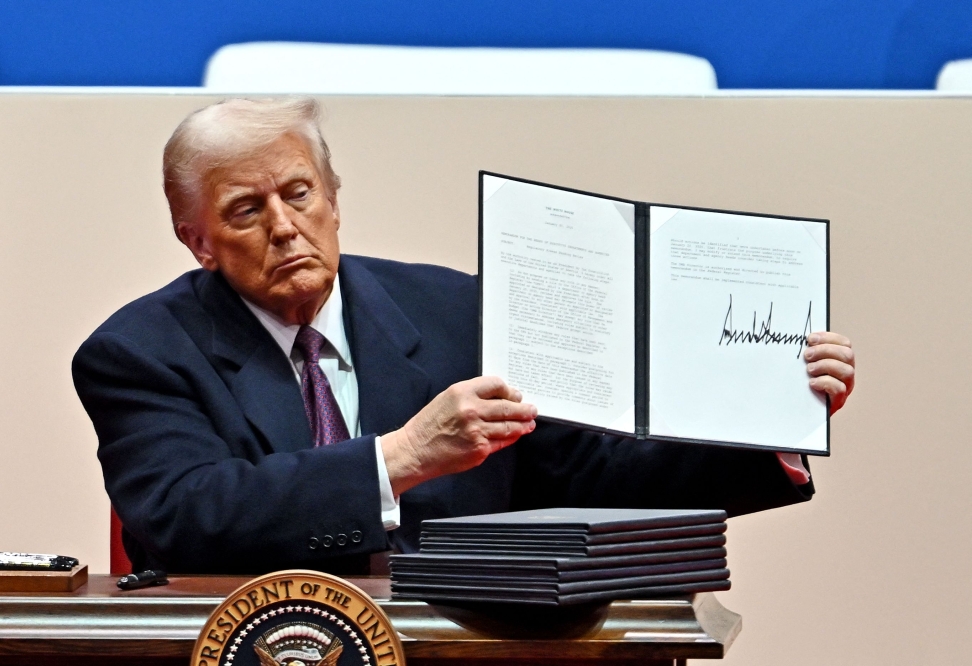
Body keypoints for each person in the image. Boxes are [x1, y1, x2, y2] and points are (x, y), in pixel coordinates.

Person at [72, 98, 856, 575]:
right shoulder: (139, 353)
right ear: (197, 240)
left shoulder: (463, 312)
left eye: (300, 193)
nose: (285, 227)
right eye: (247, 210)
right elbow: (181, 513)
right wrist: (403, 457)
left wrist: (773, 421)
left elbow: (593, 473)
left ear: (334, 200)